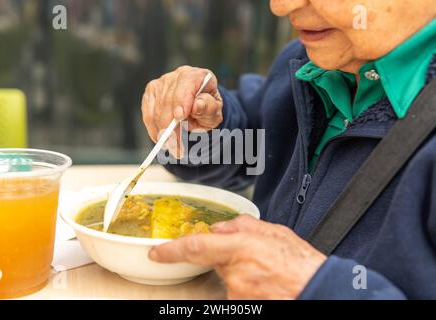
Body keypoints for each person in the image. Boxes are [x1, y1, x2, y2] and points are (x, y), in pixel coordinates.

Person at [141, 0, 436, 299]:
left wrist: (318, 288)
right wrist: (197, 126)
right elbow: (252, 150)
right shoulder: (308, 59)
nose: (281, 6)